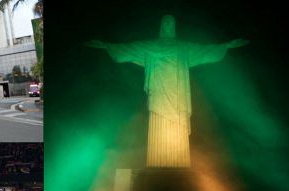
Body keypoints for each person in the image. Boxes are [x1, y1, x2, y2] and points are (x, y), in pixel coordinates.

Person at [85, 15, 249, 167]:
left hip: (178, 98)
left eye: (171, 23)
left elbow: (205, 50)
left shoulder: (183, 47)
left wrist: (226, 46)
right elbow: (128, 49)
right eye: (166, 22)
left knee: (177, 130)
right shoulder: (151, 46)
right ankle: (158, 167)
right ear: (161, 26)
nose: (168, 25)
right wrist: (106, 46)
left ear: (175, 27)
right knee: (159, 127)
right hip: (159, 96)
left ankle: (176, 166)